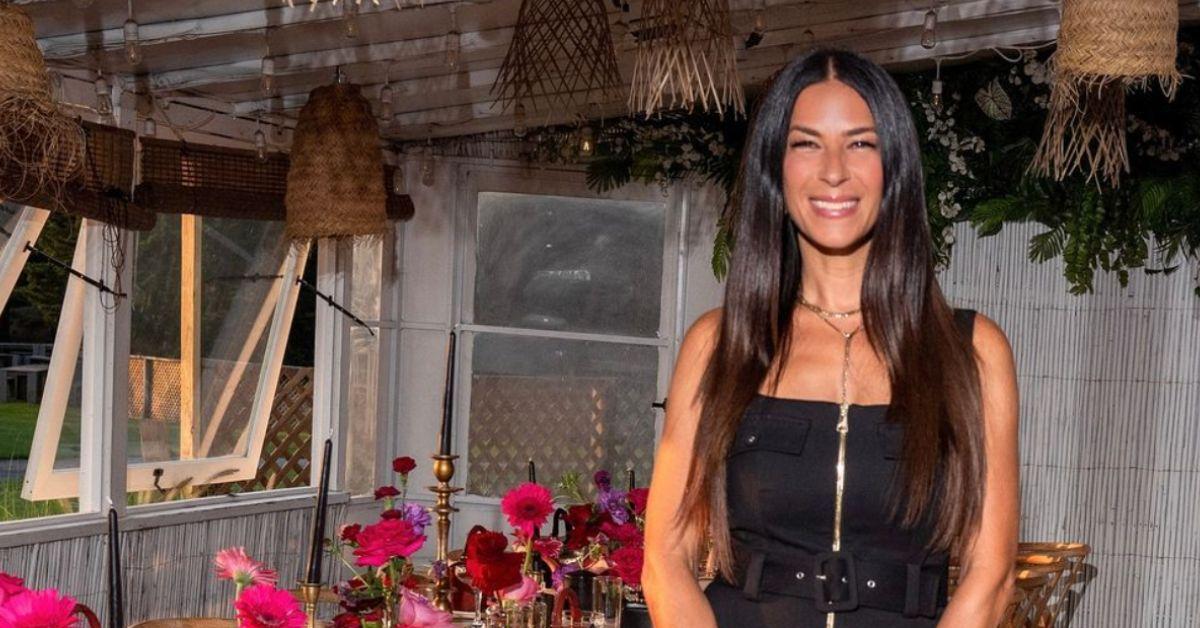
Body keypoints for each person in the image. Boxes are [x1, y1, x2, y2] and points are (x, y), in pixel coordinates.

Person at [642, 49, 1019, 627]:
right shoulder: (718, 346)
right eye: (806, 143)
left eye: (861, 143)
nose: (834, 170)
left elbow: (989, 578)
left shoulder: (970, 352)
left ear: (895, 166)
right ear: (776, 166)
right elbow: (665, 561)